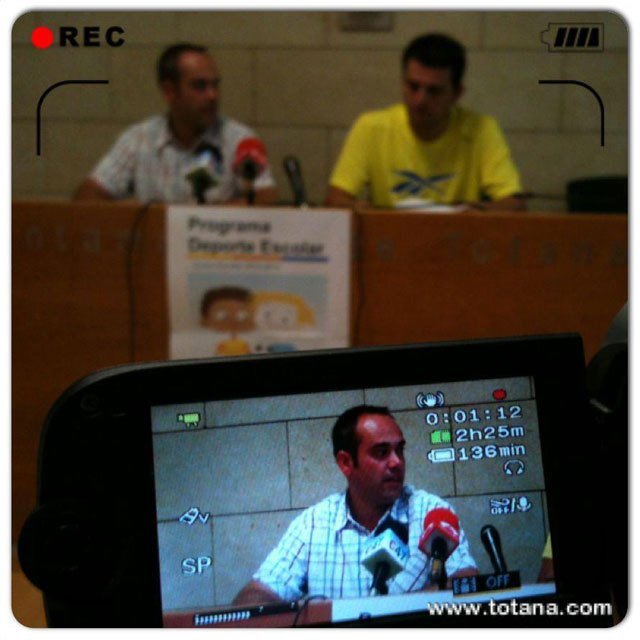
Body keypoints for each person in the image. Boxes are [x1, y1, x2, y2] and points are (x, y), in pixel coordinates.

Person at [232, 405, 477, 605]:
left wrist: (392, 613)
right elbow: (257, 594)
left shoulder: (430, 512)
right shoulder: (314, 524)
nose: (396, 462)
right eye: (381, 452)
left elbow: (467, 582)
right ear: (346, 463)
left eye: (399, 450)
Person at [325, 33, 524, 211]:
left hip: (457, 235)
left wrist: (479, 211)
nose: (420, 100)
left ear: (457, 94)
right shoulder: (372, 128)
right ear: (402, 83)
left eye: (434, 91)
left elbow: (514, 204)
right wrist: (359, 209)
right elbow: (334, 200)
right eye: (413, 87)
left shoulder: (481, 129)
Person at [74, 43, 277, 205]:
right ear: (169, 91)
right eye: (200, 86)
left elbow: (265, 198)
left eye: (215, 85)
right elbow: (88, 195)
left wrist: (198, 221)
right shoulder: (139, 139)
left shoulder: (238, 139)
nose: (212, 95)